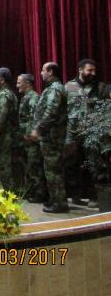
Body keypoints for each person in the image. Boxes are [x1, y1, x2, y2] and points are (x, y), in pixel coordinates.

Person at [65, 59, 109, 205]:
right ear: (80, 70)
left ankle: (96, 197)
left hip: (92, 133)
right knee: (71, 164)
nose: (93, 73)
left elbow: (107, 109)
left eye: (94, 70)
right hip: (72, 132)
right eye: (89, 70)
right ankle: (75, 196)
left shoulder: (100, 88)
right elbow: (62, 110)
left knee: (95, 164)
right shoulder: (68, 87)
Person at [30, 62, 68, 213]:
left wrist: (38, 129)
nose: (41, 73)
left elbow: (51, 111)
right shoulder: (52, 88)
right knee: (51, 170)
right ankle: (55, 199)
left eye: (43, 70)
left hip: (53, 137)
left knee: (53, 171)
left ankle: (59, 203)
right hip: (50, 136)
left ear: (50, 72)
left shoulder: (55, 89)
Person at [17, 73, 45, 202]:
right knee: (29, 166)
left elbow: (35, 117)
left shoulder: (33, 97)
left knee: (34, 166)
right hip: (25, 138)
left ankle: (39, 193)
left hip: (31, 139)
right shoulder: (26, 97)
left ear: (27, 83)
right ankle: (32, 191)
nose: (17, 86)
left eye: (19, 83)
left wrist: (29, 134)